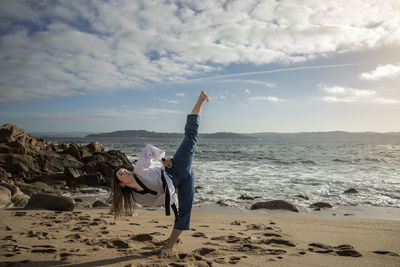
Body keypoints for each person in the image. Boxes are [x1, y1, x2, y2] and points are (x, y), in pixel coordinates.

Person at [111, 90, 210, 250]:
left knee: (191, 137)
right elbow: (160, 199)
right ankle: (169, 246)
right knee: (184, 213)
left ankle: (200, 100)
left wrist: (163, 160)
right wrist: (173, 192)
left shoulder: (139, 169)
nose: (125, 172)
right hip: (182, 182)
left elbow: (148, 149)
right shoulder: (138, 198)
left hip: (174, 168)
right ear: (121, 184)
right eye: (121, 174)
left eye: (123, 170)